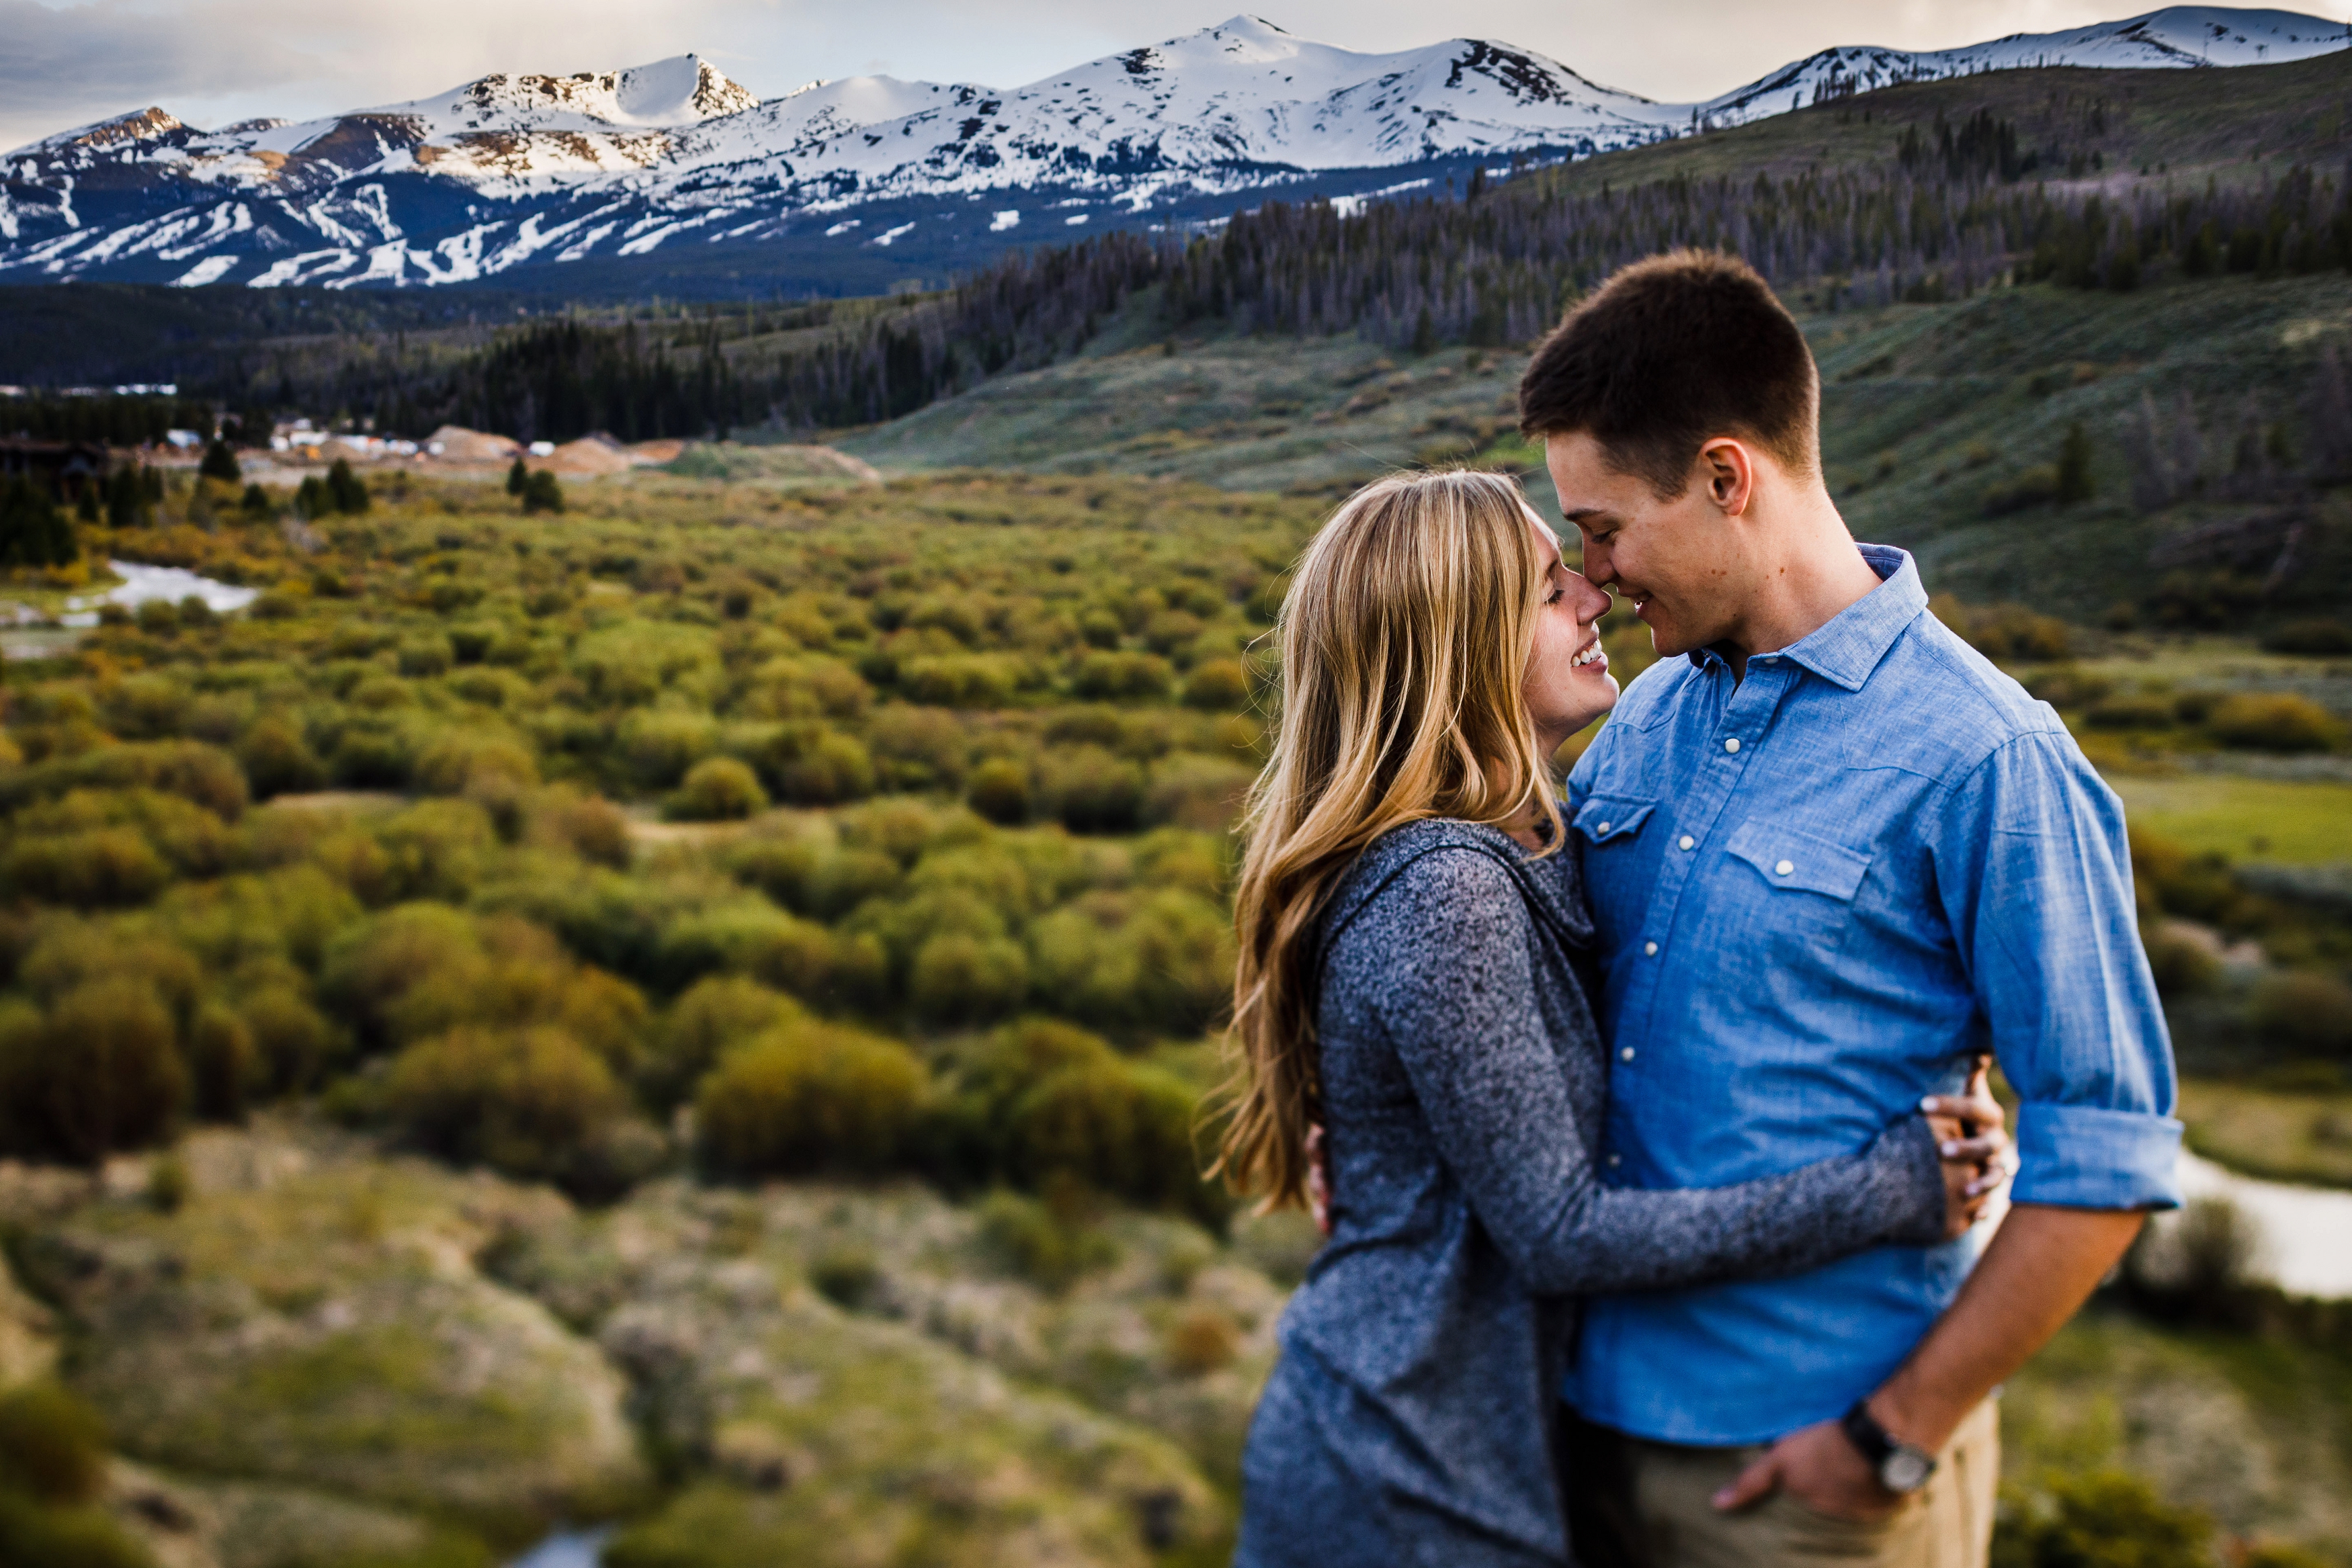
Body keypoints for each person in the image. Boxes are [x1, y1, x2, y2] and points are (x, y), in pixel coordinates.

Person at [1520, 251, 2183, 1568]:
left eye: (1602, 532)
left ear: (1725, 477)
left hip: (1802, 1490)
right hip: (1566, 1431)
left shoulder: (1989, 758)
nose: (1590, 582)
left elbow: (2105, 1160)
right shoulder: (1649, 710)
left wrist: (1888, 1440)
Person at [1218, 468, 2010, 1568]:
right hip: (1403, 1482)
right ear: (1460, 647)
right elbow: (1560, 1233)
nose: (1594, 594)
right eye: (1549, 590)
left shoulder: (1534, 836)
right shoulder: (1448, 890)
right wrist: (1886, 1188)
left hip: (1462, 1451)